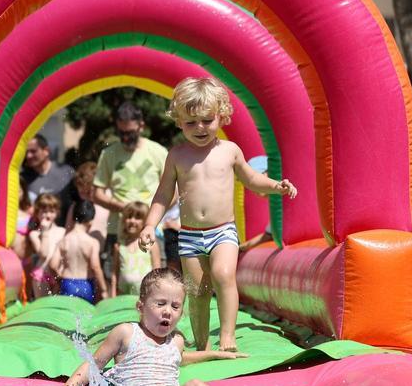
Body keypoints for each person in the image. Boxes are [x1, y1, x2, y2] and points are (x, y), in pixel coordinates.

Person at [139, 78, 297, 352]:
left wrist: (275, 186)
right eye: (191, 122)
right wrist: (149, 225)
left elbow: (251, 179)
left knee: (224, 275)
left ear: (221, 116)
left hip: (222, 231)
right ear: (179, 122)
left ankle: (227, 337)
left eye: (207, 120)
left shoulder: (229, 151)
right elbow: (163, 194)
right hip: (190, 235)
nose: (200, 128)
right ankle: (202, 344)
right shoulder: (177, 155)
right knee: (197, 291)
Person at [47, 268, 245, 386]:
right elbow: (93, 364)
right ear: (140, 307)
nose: (168, 311)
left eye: (175, 306)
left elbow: (181, 358)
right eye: (160, 304)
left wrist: (214, 354)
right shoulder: (126, 333)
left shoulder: (176, 341)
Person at [93, 102, 169, 270]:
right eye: (121, 133)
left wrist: (150, 214)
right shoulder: (108, 154)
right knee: (114, 279)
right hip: (117, 231)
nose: (126, 137)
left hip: (152, 230)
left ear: (141, 126)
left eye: (130, 133)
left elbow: (174, 194)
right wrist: (126, 208)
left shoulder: (158, 152)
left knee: (156, 280)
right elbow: (97, 194)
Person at [47, 200, 107, 303]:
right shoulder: (92, 242)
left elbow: (52, 265)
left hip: (67, 284)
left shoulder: (63, 241)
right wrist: (104, 289)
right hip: (86, 285)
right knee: (86, 312)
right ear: (90, 221)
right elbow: (95, 266)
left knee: (67, 312)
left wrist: (59, 280)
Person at [20, 135, 74, 222]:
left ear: (46, 151)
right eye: (26, 152)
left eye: (33, 151)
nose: (28, 156)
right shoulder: (22, 179)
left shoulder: (66, 172)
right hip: (33, 228)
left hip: (63, 228)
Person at [111, 201, 160, 297]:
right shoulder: (119, 246)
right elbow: (115, 274)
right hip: (123, 295)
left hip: (146, 296)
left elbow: (157, 272)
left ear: (145, 221)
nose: (132, 221)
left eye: (137, 218)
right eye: (129, 217)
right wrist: (113, 295)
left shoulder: (151, 245)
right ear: (124, 220)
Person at [61, 162, 110, 246]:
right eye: (82, 193)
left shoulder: (108, 202)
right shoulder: (76, 207)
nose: (86, 197)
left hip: (104, 249)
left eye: (89, 192)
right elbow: (67, 234)